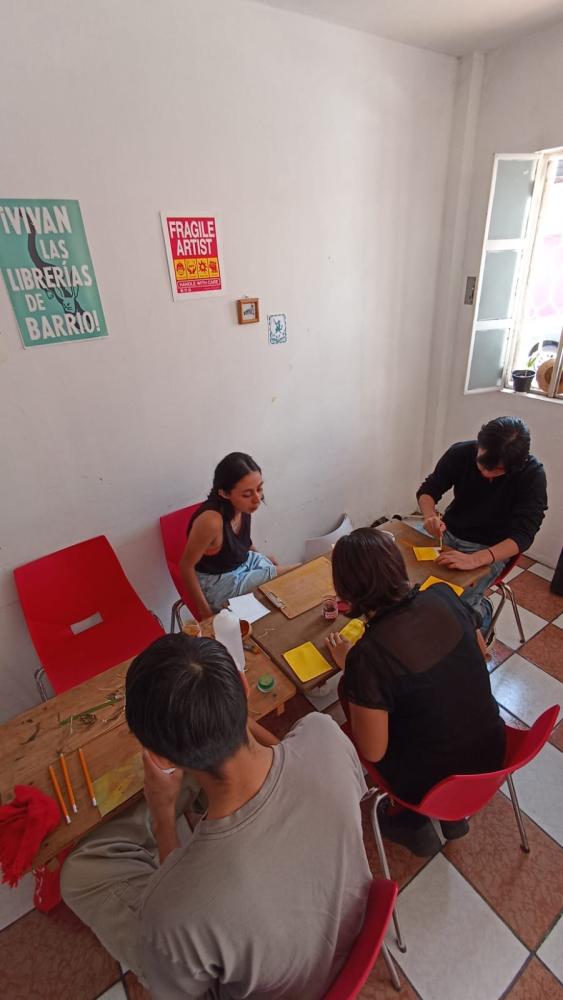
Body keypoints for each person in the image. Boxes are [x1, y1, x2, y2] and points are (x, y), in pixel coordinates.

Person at [61, 633, 372, 999]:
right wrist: (231, 718)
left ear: (160, 758)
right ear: (244, 686)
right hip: (353, 933)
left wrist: (163, 815)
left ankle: (158, 811)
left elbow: (183, 985)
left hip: (264, 986)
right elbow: (291, 758)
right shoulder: (325, 733)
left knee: (78, 873)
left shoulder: (174, 906)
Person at [325, 528, 506, 857]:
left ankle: (411, 823)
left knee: (359, 701)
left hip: (432, 786)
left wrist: (350, 666)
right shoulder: (443, 595)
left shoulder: (367, 657)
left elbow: (373, 752)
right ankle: (452, 819)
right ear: (397, 566)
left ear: (346, 593)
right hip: (492, 755)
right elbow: (482, 654)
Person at [416, 416, 547, 632]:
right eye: (482, 464)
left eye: (497, 470)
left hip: (492, 548)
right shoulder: (460, 453)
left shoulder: (532, 474)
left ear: (518, 464)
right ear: (479, 445)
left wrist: (476, 559)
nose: (486, 473)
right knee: (405, 576)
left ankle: (481, 613)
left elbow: (523, 535)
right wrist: (430, 516)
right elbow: (428, 490)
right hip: (447, 532)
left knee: (454, 606)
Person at [180, 452, 296, 620]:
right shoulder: (211, 521)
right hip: (218, 582)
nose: (257, 499)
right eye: (247, 494)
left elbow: (242, 542)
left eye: (259, 489)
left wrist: (259, 556)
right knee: (290, 573)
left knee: (282, 583)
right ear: (224, 493)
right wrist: (205, 614)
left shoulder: (243, 506)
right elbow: (186, 566)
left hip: (242, 562)